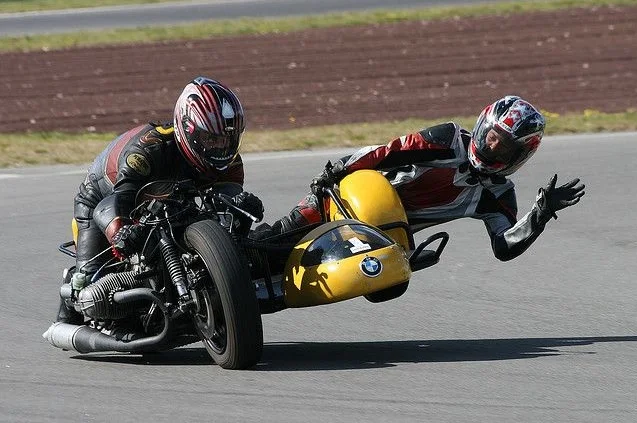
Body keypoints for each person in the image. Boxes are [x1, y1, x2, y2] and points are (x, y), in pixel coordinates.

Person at [252, 95, 585, 263]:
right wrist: (337, 170)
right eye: (491, 135)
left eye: (505, 145)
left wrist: (539, 215)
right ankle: (236, 249)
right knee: (277, 238)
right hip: (344, 199)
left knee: (390, 280)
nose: (492, 145)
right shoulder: (448, 138)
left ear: (519, 156)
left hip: (384, 238)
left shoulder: (496, 194)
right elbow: (390, 152)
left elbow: (503, 246)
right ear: (482, 125)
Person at [56, 76, 264, 324]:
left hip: (170, 199)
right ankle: (70, 297)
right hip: (104, 196)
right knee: (91, 283)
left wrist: (239, 213)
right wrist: (120, 231)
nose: (221, 148)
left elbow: (224, 210)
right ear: (188, 129)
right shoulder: (148, 150)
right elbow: (111, 204)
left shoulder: (229, 162)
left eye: (227, 139)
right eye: (211, 139)